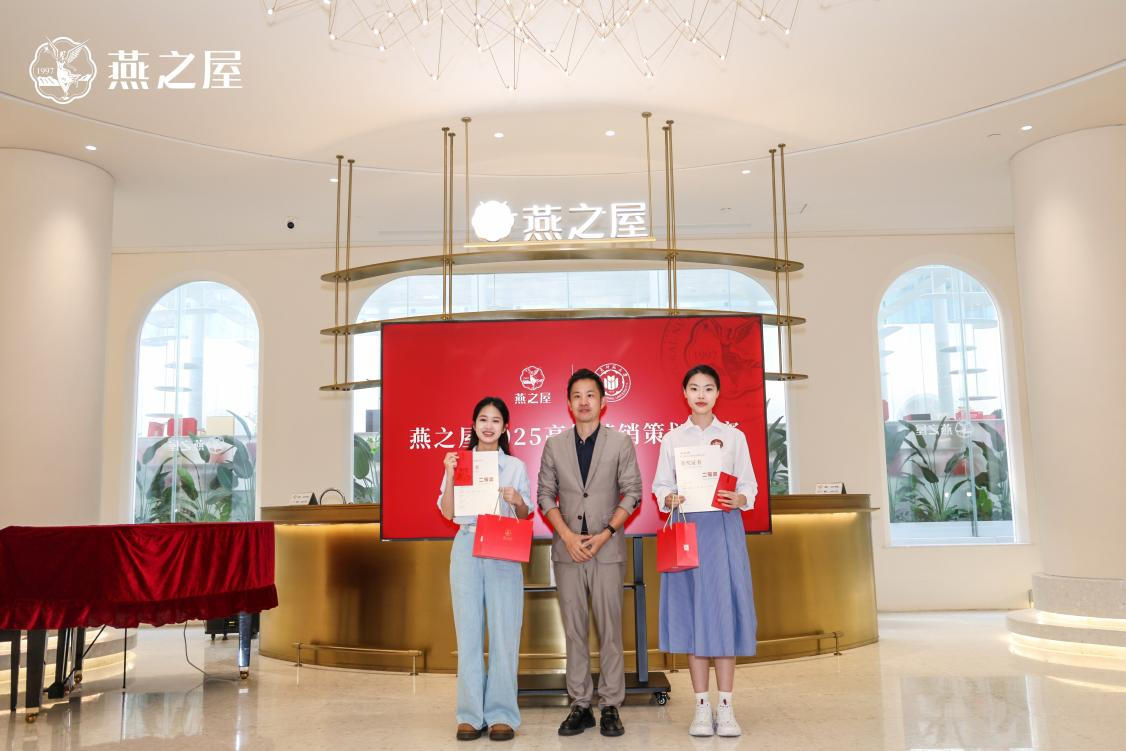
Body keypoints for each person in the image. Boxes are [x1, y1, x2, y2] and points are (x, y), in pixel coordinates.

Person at [651, 364, 758, 738]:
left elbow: (749, 484)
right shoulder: (672, 439)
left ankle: (725, 706)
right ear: (684, 393)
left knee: (723, 615)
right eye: (694, 388)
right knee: (694, 616)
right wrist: (669, 497)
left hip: (723, 531)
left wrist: (740, 497)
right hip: (688, 532)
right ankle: (700, 706)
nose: (701, 394)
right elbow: (660, 485)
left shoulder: (733, 438)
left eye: (708, 388)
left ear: (717, 394)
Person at [537, 368, 642, 738]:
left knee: (611, 629)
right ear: (569, 404)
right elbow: (545, 494)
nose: (584, 402)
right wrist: (566, 535)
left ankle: (611, 704)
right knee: (574, 629)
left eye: (590, 395)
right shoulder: (554, 445)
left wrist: (605, 533)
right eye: (577, 396)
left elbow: (633, 491)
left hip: (606, 548)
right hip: (567, 551)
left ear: (603, 401)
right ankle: (580, 704)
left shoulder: (620, 442)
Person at [438, 397, 532, 742]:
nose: (488, 426)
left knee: (505, 631)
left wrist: (516, 500)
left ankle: (502, 714)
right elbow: (448, 512)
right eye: (482, 419)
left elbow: (525, 514)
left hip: (502, 545)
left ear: (505, 427)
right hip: (466, 543)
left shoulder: (515, 466)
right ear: (474, 424)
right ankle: (470, 714)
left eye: (495, 420)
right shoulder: (460, 461)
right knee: (468, 632)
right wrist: (450, 475)